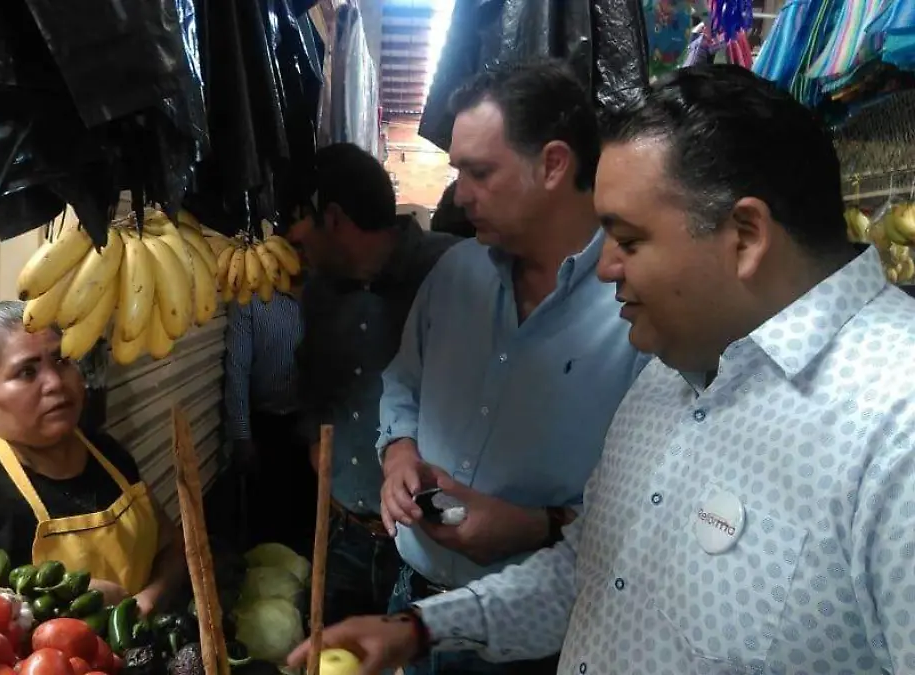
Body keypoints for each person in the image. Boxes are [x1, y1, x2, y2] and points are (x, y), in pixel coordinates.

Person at [289, 64, 915, 675]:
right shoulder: (669, 385)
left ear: (746, 236)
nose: (605, 267)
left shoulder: (896, 427)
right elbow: (596, 571)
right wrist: (424, 628)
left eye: (630, 240)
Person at [372, 61, 649, 675]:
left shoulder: (638, 308)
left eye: (479, 172)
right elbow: (402, 383)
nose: (459, 194)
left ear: (553, 164)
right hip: (412, 602)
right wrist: (399, 455)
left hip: (539, 641)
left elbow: (652, 513)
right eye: (457, 172)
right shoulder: (453, 275)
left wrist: (537, 526)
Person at [0, 301, 188, 612]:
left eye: (62, 360)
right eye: (27, 372)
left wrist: (144, 603)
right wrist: (62, 604)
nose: (55, 383)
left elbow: (172, 548)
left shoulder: (106, 453)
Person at [285, 142, 458, 625]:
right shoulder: (318, 292)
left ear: (334, 218)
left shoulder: (452, 272)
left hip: (428, 547)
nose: (294, 248)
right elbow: (313, 379)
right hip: (344, 532)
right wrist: (313, 433)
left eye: (301, 230)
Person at [223, 289, 313, 555]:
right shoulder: (251, 302)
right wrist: (241, 435)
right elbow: (237, 371)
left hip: (314, 426)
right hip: (267, 426)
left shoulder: (322, 293)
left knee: (309, 520)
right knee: (267, 525)